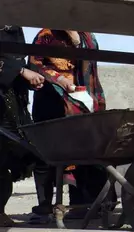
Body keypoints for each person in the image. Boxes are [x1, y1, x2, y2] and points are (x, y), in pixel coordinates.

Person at [28, 30, 108, 222]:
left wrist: (76, 40)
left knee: (80, 154)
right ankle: (45, 206)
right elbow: (34, 64)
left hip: (80, 102)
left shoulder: (87, 37)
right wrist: (59, 80)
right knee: (45, 154)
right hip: (51, 102)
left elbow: (92, 63)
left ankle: (79, 203)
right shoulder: (45, 35)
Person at [0, 26, 44, 226]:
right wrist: (19, 70)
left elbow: (18, 61)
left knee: (8, 160)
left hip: (12, 105)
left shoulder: (14, 27)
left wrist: (27, 79)